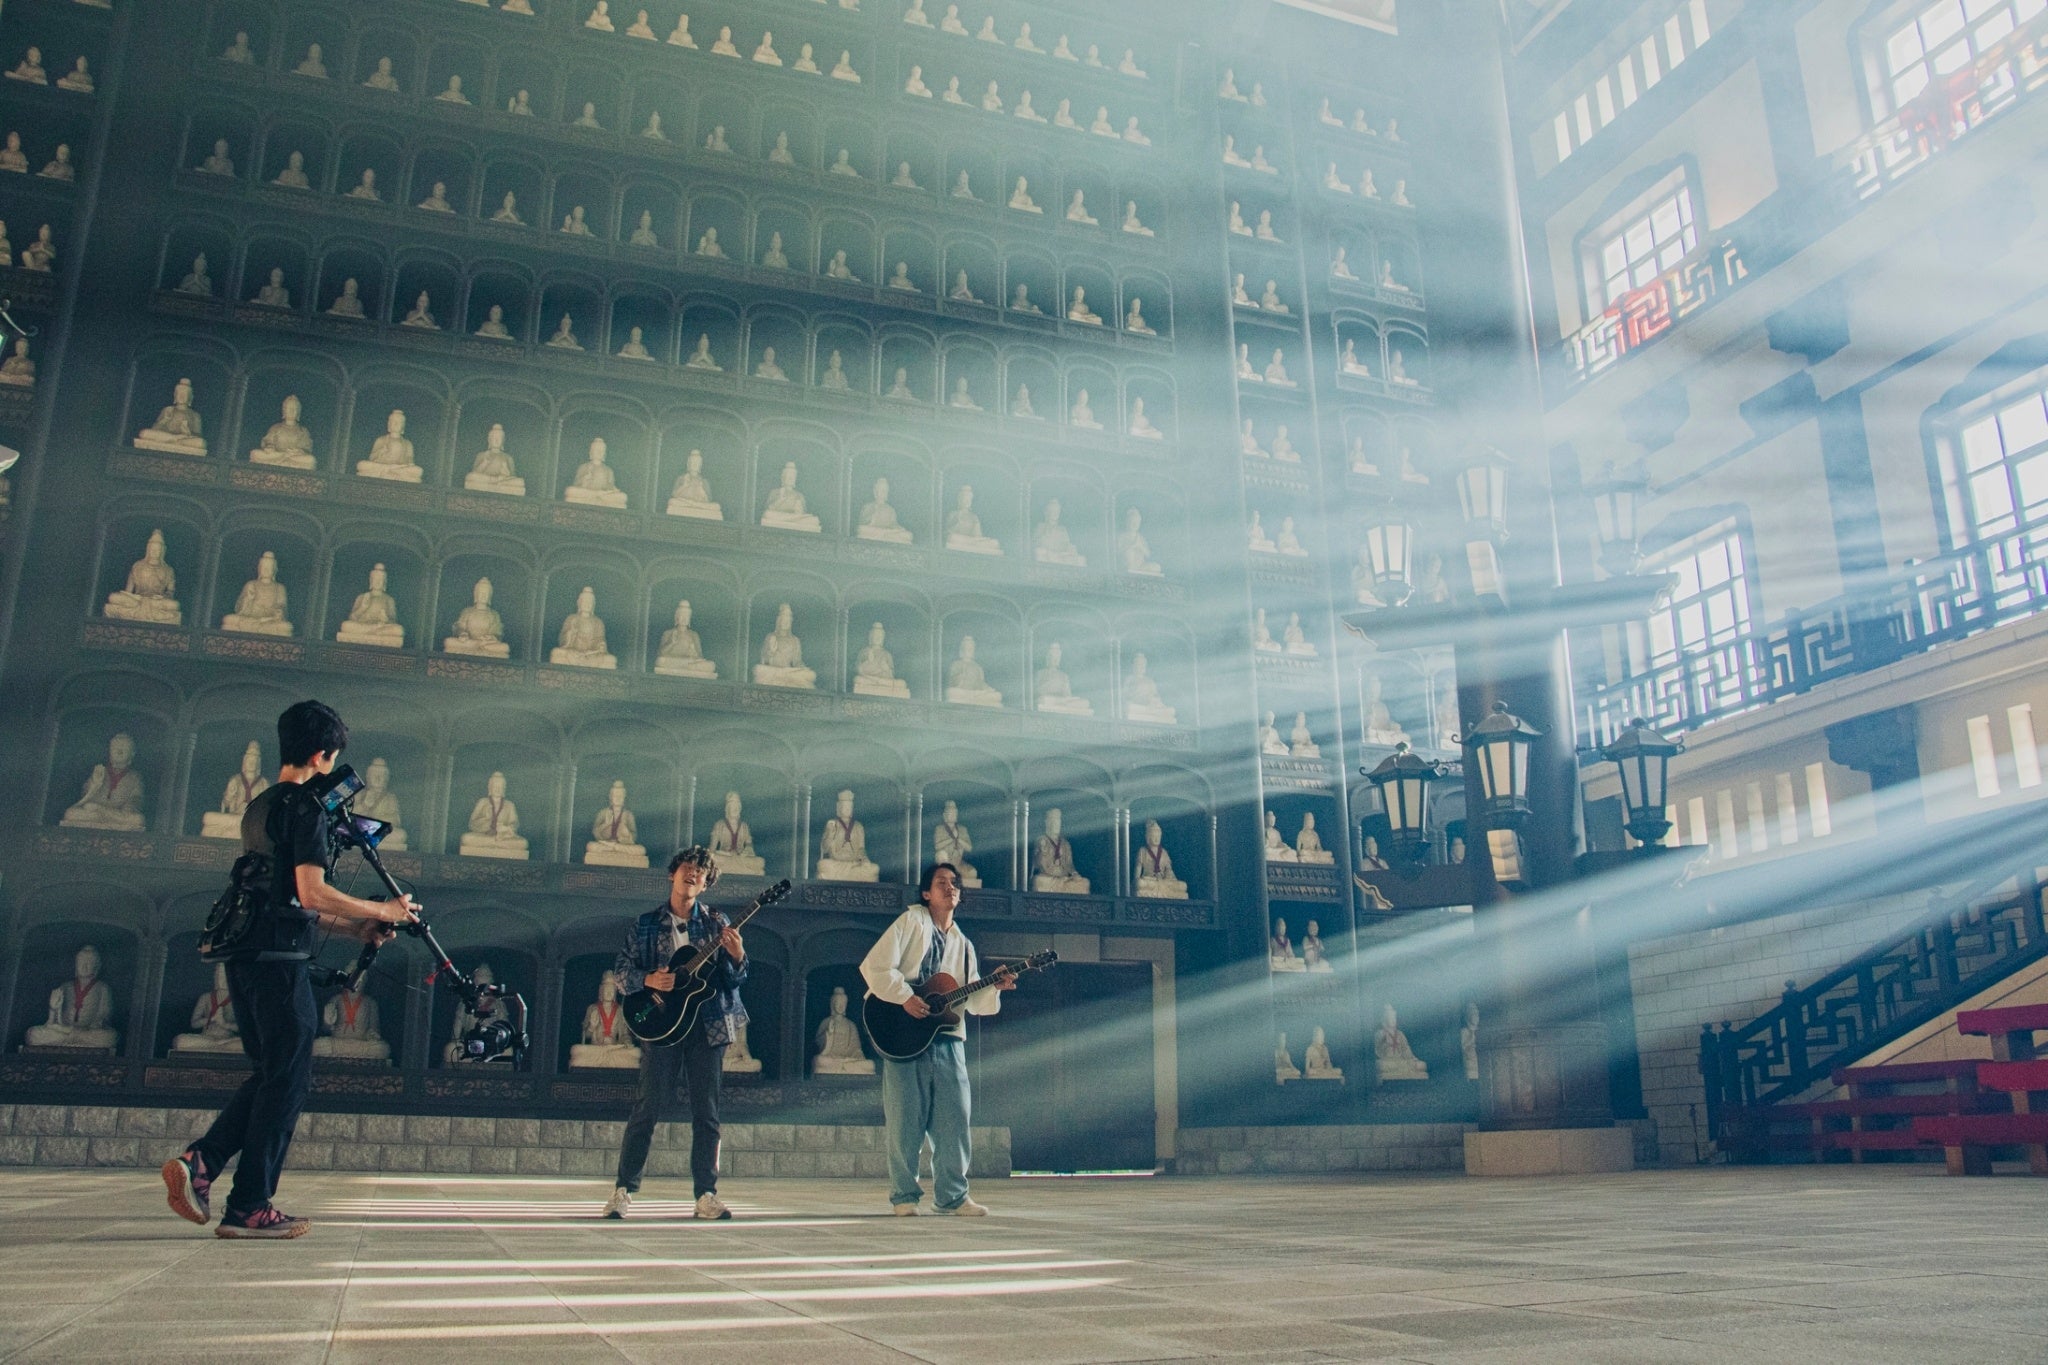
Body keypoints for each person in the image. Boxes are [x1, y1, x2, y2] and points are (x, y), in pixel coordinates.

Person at [160, 701, 416, 1239]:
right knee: (289, 1080)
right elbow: (311, 891)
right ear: (323, 755)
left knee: (271, 1074)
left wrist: (357, 930)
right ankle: (248, 1203)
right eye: (334, 757)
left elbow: (289, 898)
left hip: (248, 955)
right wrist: (385, 910)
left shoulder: (260, 806)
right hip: (278, 961)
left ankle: (204, 1166)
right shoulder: (307, 807)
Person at [859, 864, 1015, 1216]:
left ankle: (952, 1197)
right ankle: (904, 1196)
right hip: (901, 1033)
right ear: (926, 893)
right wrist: (905, 997)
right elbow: (876, 967)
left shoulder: (964, 944)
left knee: (954, 1120)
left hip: (947, 1038)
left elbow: (972, 1002)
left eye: (954, 883)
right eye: (941, 882)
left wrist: (994, 986)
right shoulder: (910, 922)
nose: (950, 887)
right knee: (905, 1120)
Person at [603, 846, 747, 1221]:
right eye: (687, 867)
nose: (692, 874)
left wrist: (736, 956)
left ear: (706, 883)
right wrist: (648, 979)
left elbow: (733, 981)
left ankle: (706, 1195)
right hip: (660, 1023)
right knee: (647, 1108)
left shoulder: (717, 924)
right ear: (673, 873)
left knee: (707, 1113)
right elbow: (621, 973)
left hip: (707, 1025)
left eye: (700, 872)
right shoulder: (646, 924)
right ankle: (623, 1191)